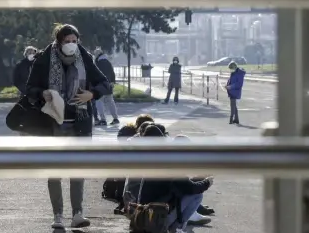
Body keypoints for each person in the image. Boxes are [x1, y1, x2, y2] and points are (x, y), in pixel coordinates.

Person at [26, 23, 110, 229]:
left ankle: (77, 214)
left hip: (80, 123)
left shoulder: (85, 57)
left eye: (75, 41)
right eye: (67, 41)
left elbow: (105, 83)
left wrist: (92, 94)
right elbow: (29, 88)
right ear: (58, 41)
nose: (72, 45)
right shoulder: (46, 58)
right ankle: (57, 216)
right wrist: (42, 94)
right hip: (53, 123)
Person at [123, 127, 214, 233]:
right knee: (197, 195)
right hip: (155, 217)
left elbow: (181, 184)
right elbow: (190, 188)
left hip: (141, 214)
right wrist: (207, 182)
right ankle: (176, 229)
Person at [93, 47, 120, 125]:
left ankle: (103, 119)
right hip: (109, 85)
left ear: (97, 55)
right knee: (111, 102)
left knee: (99, 102)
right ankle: (115, 118)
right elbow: (112, 73)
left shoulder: (97, 63)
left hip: (100, 86)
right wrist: (112, 82)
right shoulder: (108, 62)